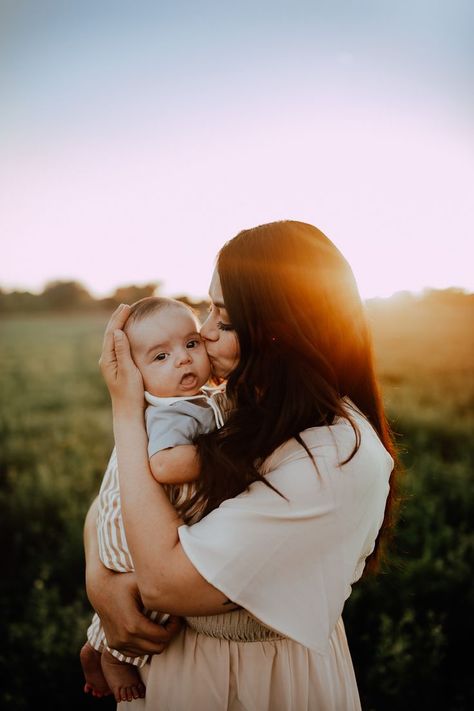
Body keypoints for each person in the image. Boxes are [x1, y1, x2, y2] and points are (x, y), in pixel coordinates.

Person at [84, 220, 399, 710]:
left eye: (224, 321)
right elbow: (118, 491)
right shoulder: (228, 400)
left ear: (281, 335)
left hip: (269, 682)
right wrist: (100, 582)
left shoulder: (334, 457)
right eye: (208, 310)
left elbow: (164, 584)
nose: (203, 335)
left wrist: (127, 411)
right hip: (172, 666)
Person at [80, 296, 226, 703]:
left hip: (153, 514)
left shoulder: (192, 399)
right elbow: (165, 465)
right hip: (136, 526)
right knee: (149, 601)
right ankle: (108, 653)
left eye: (191, 344)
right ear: (136, 376)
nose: (183, 360)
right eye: (161, 356)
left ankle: (95, 647)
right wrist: (231, 453)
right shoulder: (167, 412)